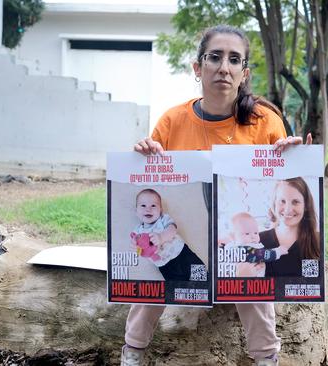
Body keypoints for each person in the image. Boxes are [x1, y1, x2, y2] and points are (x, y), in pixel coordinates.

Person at [123, 24, 311, 366]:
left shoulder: (265, 121)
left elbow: (281, 188)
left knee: (253, 280)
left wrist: (294, 159)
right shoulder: (172, 120)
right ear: (198, 68)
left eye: (234, 59)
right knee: (153, 277)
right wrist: (143, 152)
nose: (224, 67)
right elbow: (153, 178)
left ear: (244, 73)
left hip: (232, 250)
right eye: (215, 57)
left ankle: (266, 358)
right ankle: (132, 352)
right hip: (190, 238)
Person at [131, 188, 206, 281]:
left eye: (153, 205)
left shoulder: (163, 220)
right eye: (143, 205)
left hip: (182, 254)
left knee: (201, 275)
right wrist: (136, 248)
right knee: (177, 287)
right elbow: (137, 246)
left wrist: (161, 237)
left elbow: (173, 229)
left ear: (160, 210)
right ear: (136, 211)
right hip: (165, 266)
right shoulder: (138, 231)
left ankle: (208, 288)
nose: (148, 209)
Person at [260, 177, 320, 277]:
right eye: (282, 201)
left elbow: (313, 283)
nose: (288, 210)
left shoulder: (316, 241)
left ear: (306, 206)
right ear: (274, 203)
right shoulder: (257, 241)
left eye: (295, 202)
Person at [219, 212, 287, 278]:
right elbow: (261, 255)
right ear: (234, 237)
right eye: (247, 233)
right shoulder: (242, 249)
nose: (253, 236)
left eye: (255, 232)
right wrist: (278, 251)